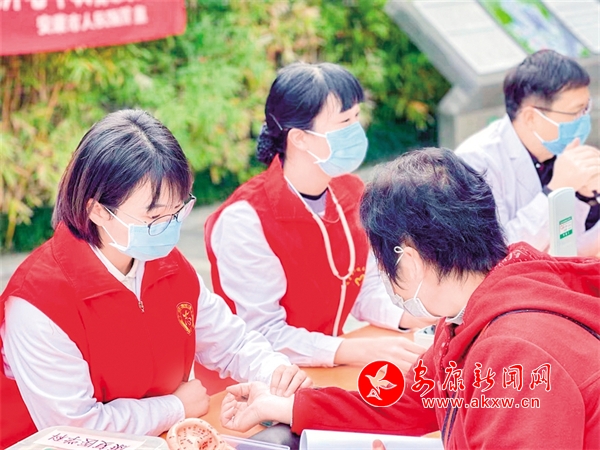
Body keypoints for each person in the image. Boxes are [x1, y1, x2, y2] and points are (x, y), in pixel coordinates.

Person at [219, 148, 600, 449]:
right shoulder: (473, 308)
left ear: (411, 261)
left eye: (383, 265)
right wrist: (287, 406)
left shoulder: (515, 353)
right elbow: (412, 402)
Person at [0, 110, 311, 448]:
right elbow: (77, 429)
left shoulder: (164, 263)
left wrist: (275, 374)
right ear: (98, 210)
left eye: (178, 211)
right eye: (154, 216)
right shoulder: (39, 303)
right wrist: (174, 407)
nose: (170, 227)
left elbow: (230, 342)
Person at [204, 62, 432, 373]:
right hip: (253, 380)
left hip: (325, 365)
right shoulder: (245, 220)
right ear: (299, 138)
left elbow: (364, 288)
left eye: (356, 117)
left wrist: (417, 314)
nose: (356, 130)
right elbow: (262, 333)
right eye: (344, 122)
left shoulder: (351, 191)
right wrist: (353, 350)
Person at [455, 49, 600, 256]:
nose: (583, 120)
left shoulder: (560, 150)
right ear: (531, 117)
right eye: (575, 111)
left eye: (586, 109)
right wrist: (557, 189)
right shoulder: (475, 163)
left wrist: (587, 198)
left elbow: (567, 250)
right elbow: (496, 254)